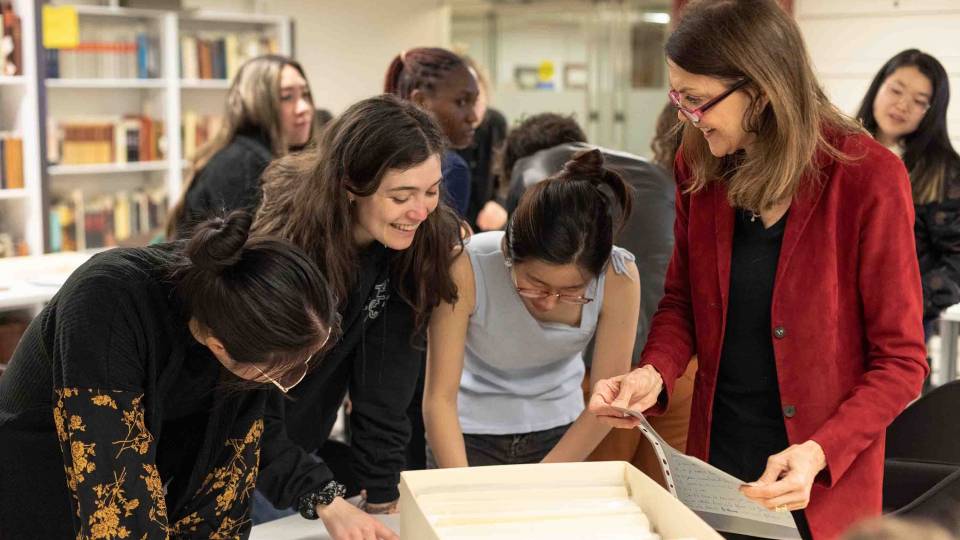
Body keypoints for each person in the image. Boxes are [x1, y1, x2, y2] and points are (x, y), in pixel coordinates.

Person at [588, 1, 928, 539]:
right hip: (716, 470)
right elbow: (681, 302)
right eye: (678, 96)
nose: (684, 116)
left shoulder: (868, 178)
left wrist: (820, 452)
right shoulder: (698, 161)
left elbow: (902, 362)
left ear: (763, 91)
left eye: (696, 100)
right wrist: (652, 372)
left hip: (820, 483)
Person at [0, 211, 394, 539]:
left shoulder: (239, 303)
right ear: (221, 347)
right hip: (39, 485)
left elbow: (250, 440)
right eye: (285, 371)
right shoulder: (107, 304)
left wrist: (322, 495)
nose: (292, 379)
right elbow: (115, 497)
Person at [252, 94, 463, 517]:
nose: (420, 211)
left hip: (302, 448)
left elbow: (385, 386)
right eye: (401, 196)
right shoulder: (287, 253)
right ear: (351, 185)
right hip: (241, 452)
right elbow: (250, 401)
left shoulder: (410, 246)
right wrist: (318, 494)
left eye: (432, 191)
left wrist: (383, 492)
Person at [499, 112, 690, 489]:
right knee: (666, 513)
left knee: (585, 509)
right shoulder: (655, 177)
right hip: (676, 375)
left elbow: (522, 278)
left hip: (597, 387)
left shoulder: (530, 177)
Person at [424, 149, 640, 468]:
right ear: (508, 253)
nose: (549, 301)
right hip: (466, 435)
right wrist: (462, 485)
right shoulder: (466, 267)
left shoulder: (619, 276)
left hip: (563, 435)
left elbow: (606, 400)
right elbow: (438, 400)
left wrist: (544, 477)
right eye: (534, 284)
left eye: (572, 291)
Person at [856, 49, 960, 330]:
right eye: (896, 90)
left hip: (899, 322)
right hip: (837, 309)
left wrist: (908, 303)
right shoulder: (843, 147)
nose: (901, 105)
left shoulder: (943, 171)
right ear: (879, 86)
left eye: (919, 101)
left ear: (932, 112)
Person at [167, 55, 315, 238]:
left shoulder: (265, 157)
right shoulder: (242, 165)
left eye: (305, 94)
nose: (304, 107)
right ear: (256, 104)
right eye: (287, 97)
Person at [384, 47, 479, 217]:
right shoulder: (450, 167)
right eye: (462, 102)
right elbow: (436, 242)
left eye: (473, 102)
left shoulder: (382, 152)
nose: (473, 117)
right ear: (421, 102)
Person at [456, 56, 509, 231]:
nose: (473, 110)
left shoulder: (496, 123)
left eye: (478, 97)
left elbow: (507, 174)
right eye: (463, 100)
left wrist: (500, 203)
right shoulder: (441, 131)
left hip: (487, 229)